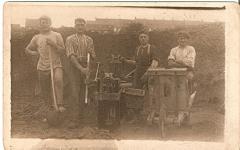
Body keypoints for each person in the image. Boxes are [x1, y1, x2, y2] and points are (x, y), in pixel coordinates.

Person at [25, 15, 66, 115]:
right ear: (39, 25)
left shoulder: (57, 35)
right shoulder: (36, 37)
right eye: (42, 23)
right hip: (42, 66)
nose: (44, 25)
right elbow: (27, 49)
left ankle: (59, 104)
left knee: (58, 80)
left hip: (56, 64)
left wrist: (54, 44)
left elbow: (63, 51)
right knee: (44, 89)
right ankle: (48, 108)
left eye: (46, 22)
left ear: (50, 24)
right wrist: (35, 53)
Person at [65, 18, 96, 128]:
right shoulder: (69, 39)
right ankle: (74, 119)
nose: (80, 26)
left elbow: (92, 56)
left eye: (82, 25)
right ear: (75, 26)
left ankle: (82, 118)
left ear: (85, 26)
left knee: (85, 92)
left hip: (86, 66)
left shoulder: (89, 40)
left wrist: (88, 68)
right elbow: (71, 56)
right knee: (74, 92)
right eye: (78, 25)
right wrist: (80, 68)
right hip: (74, 67)